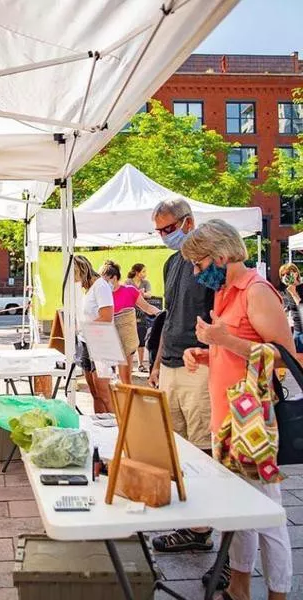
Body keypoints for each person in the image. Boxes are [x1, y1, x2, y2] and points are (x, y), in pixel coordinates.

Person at [181, 219, 293, 600]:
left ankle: (278, 593)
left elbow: (286, 359)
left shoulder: (257, 291)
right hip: (226, 419)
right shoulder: (225, 292)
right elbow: (235, 352)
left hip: (253, 423)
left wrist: (223, 338)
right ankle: (238, 588)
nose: (197, 273)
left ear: (223, 255)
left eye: (199, 264)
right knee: (239, 511)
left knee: (267, 516)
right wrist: (206, 350)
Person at [147, 197, 226, 590]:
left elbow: (222, 319)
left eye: (168, 229)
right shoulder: (171, 262)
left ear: (188, 222)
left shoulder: (211, 263)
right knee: (180, 449)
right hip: (172, 366)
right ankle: (193, 523)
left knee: (205, 449)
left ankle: (208, 528)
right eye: (159, 231)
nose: (164, 237)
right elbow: (167, 316)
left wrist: (210, 355)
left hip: (200, 367)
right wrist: (157, 362)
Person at [100, 261, 160, 384]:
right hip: (107, 340)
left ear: (114, 278)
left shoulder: (130, 291)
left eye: (105, 280)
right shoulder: (101, 294)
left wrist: (162, 314)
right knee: (106, 382)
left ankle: (127, 402)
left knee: (125, 380)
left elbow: (147, 307)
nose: (102, 283)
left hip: (126, 340)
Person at [74, 255, 114, 413]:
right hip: (86, 341)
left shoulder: (100, 286)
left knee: (104, 394)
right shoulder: (87, 289)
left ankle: (118, 430)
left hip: (101, 341)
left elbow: (106, 316)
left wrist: (85, 327)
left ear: (81, 271)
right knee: (94, 393)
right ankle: (100, 426)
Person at [126, 263, 154, 372]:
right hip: (130, 314)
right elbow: (127, 295)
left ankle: (140, 364)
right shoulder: (128, 282)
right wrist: (141, 293)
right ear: (137, 273)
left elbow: (149, 295)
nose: (145, 274)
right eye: (143, 271)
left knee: (141, 340)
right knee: (130, 341)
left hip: (142, 314)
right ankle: (128, 366)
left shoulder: (146, 283)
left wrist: (137, 294)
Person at [279, 263, 303, 353]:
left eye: (288, 274)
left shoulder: (298, 288)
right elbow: (291, 305)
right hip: (297, 330)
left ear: (296, 273)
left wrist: (294, 293)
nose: (285, 276)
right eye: (283, 275)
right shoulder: (288, 290)